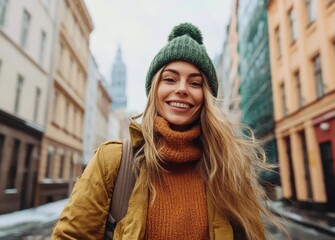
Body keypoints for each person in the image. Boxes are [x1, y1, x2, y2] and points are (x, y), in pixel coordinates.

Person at [51, 22, 279, 240]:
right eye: (170, 79)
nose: (181, 89)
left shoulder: (229, 168)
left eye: (195, 83)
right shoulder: (112, 161)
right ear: (155, 90)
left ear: (206, 97)